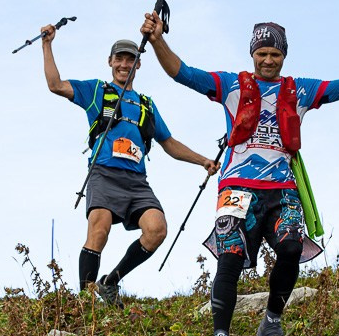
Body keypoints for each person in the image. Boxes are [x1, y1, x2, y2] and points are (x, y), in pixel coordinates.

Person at [140, 12, 339, 336]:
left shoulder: (300, 91)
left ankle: (271, 325)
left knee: (292, 247)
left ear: (284, 57)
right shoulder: (230, 85)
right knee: (229, 257)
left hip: (282, 190)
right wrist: (157, 40)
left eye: (274, 55)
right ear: (252, 55)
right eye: (261, 53)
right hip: (236, 187)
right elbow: (181, 72)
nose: (267, 60)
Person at [41, 24, 219, 307]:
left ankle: (110, 283)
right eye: (119, 58)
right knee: (99, 229)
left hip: (136, 181)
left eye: (130, 59)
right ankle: (85, 301)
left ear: (138, 65)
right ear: (110, 62)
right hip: (103, 172)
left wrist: (203, 161)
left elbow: (168, 143)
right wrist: (47, 44)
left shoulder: (146, 104)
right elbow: (55, 85)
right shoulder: (96, 91)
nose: (124, 64)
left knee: (157, 229)